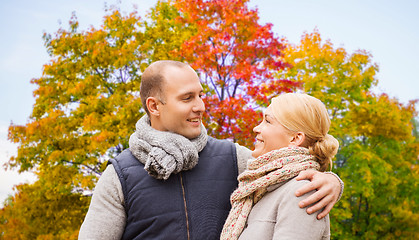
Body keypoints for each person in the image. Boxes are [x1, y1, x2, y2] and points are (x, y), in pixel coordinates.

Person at [78, 61, 343, 240]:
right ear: (154, 106)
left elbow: (285, 168)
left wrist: (331, 180)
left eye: (200, 95)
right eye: (187, 98)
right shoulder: (120, 176)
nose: (201, 106)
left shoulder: (234, 158)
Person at [221, 93, 339, 240]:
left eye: (268, 122)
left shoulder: (302, 192)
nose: (256, 128)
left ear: (295, 138)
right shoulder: (262, 188)